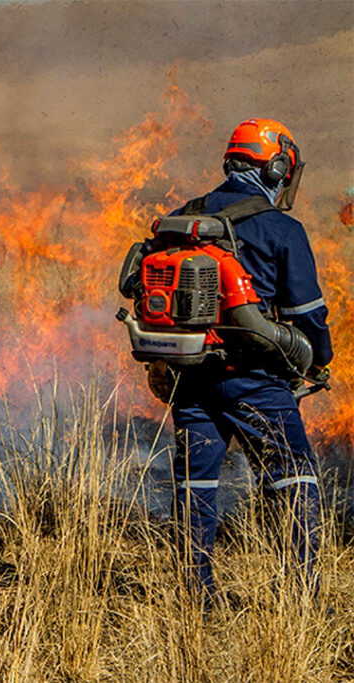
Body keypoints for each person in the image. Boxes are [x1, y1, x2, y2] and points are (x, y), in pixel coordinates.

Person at [166, 118, 333, 605]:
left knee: (195, 486)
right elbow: (307, 313)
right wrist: (317, 359)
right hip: (259, 378)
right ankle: (300, 599)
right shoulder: (281, 228)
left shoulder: (183, 217)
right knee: (292, 478)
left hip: (192, 377)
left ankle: (194, 599)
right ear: (277, 166)